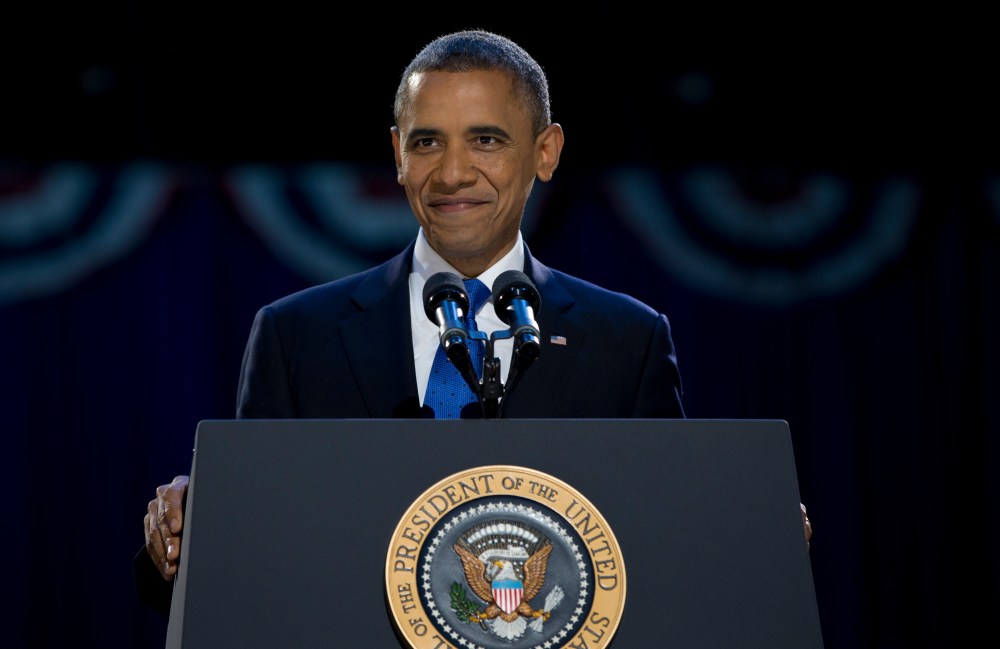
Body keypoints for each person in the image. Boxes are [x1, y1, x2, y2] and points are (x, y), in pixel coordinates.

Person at [137, 28, 812, 614]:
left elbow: (670, 549)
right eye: (428, 141)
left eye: (485, 139)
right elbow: (245, 571)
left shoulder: (627, 341)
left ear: (545, 152)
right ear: (398, 152)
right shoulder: (297, 335)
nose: (452, 172)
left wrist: (745, 530)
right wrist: (189, 533)